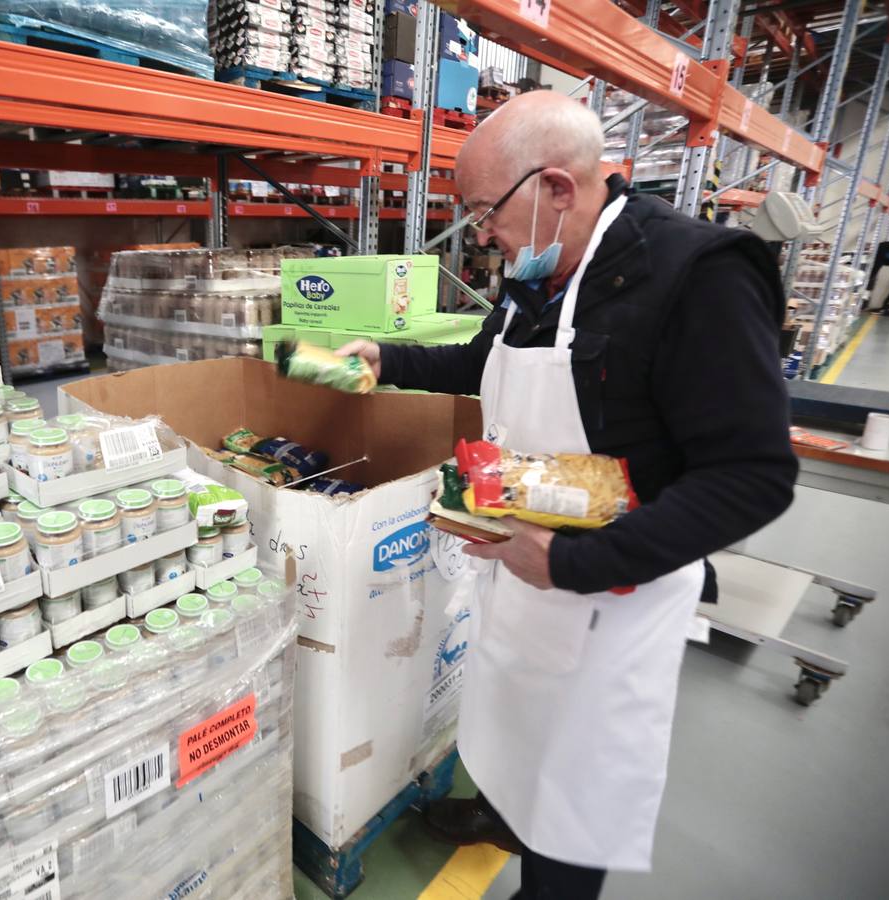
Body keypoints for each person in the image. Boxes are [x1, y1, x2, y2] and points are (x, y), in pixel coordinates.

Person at [338, 92, 798, 899]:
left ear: (556, 188)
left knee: (574, 794)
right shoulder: (536, 272)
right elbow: (478, 367)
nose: (479, 234)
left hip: (611, 591)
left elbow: (750, 477)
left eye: (484, 211)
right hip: (526, 562)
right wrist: (386, 357)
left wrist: (580, 562)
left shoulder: (697, 276)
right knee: (512, 733)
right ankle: (502, 815)